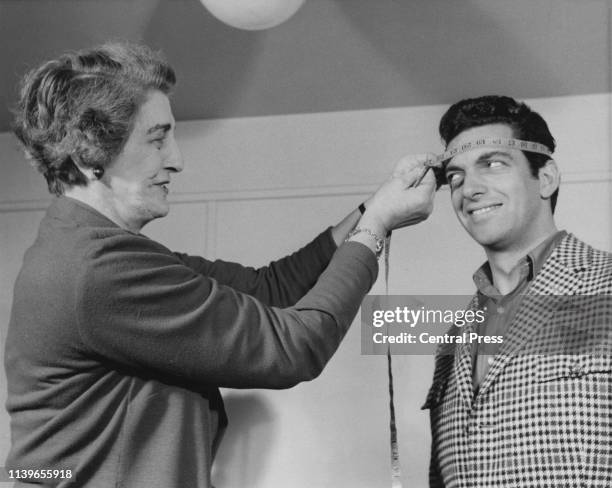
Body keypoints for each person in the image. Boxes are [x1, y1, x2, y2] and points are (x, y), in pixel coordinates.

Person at [4, 43, 436, 487]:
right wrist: (377, 228)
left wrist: (373, 208)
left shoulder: (94, 252)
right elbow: (293, 350)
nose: (177, 159)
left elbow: (270, 289)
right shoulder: (97, 270)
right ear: (87, 155)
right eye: (157, 138)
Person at [422, 95, 612, 487]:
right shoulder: (455, 336)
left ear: (545, 178)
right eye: (455, 176)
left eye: (492, 164)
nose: (468, 188)